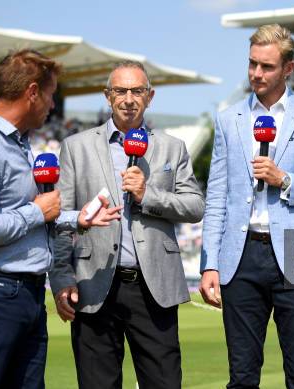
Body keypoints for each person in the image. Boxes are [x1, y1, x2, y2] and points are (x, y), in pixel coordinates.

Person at [0, 49, 121, 389]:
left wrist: (76, 218)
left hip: (22, 295)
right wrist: (38, 211)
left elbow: (28, 215)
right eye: (51, 95)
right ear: (31, 93)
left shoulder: (16, 143)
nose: (52, 106)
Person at [199, 24, 294, 388]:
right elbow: (217, 194)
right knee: (242, 376)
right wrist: (209, 263)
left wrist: (285, 179)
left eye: (266, 66)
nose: (256, 74)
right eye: (252, 64)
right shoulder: (228, 118)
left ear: (289, 68)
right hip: (241, 256)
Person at [49, 60, 204, 389]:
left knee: (164, 383)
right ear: (108, 96)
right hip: (94, 285)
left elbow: (195, 206)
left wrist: (149, 193)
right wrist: (61, 276)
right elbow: (62, 220)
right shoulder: (76, 147)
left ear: (150, 96)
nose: (129, 98)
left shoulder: (172, 148)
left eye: (137, 91)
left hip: (154, 287)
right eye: (120, 91)